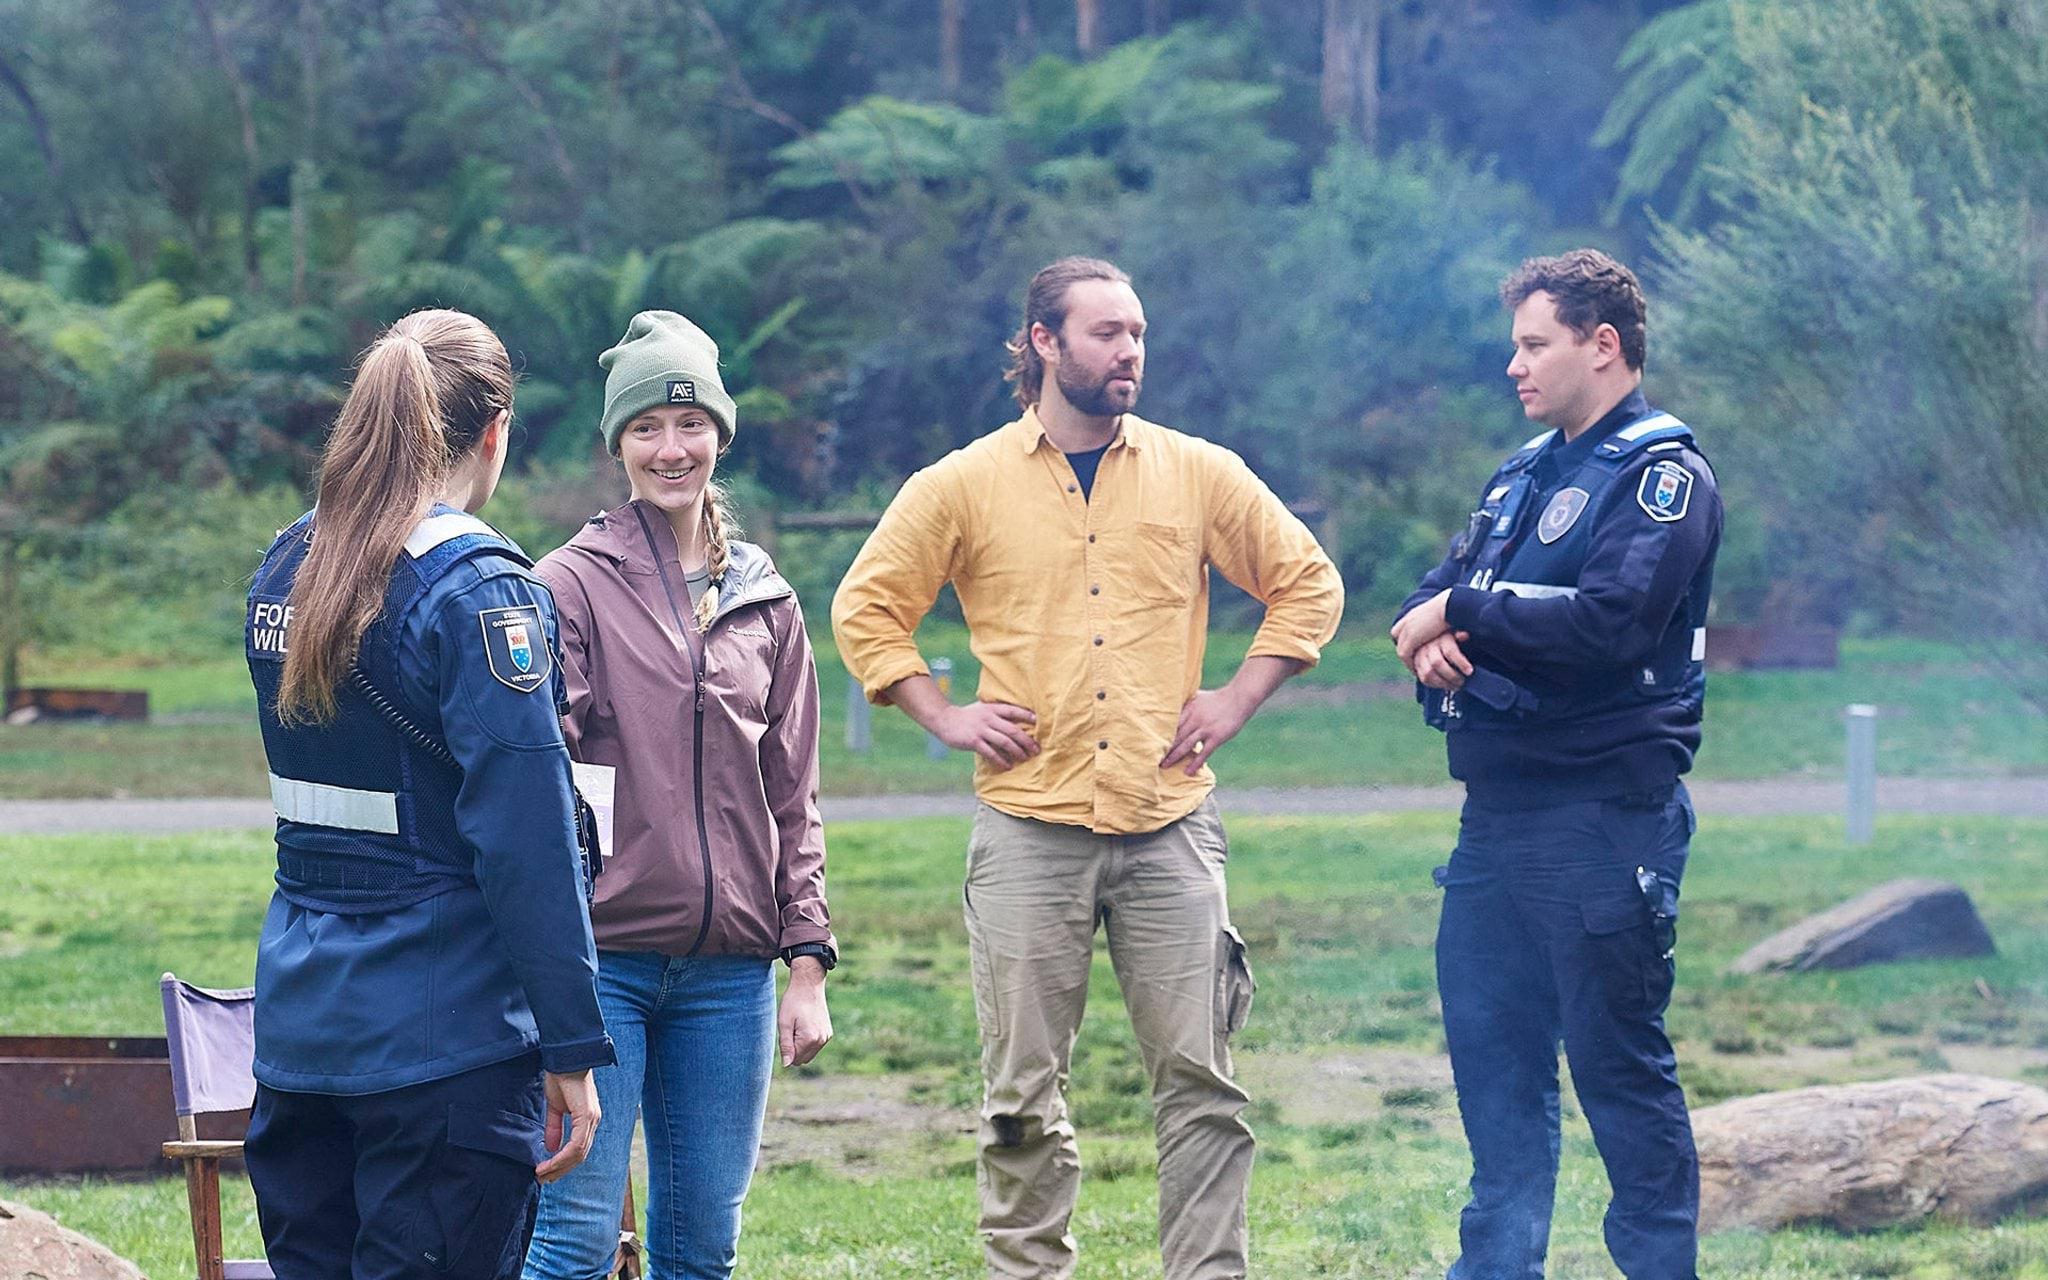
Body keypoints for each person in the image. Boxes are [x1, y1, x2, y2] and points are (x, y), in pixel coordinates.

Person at [832, 257, 1344, 1280]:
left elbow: (1306, 583)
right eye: (1107, 332)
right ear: (1043, 341)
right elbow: (866, 607)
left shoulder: (1197, 472)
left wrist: (1234, 698)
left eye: (1137, 333)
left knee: (1203, 1087)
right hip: (1028, 827)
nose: (1130, 353)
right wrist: (942, 714)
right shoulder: (962, 482)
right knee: (1020, 1098)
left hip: (1170, 824)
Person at [242, 308, 612, 1280]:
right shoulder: (479, 590)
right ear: (494, 434)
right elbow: (528, 841)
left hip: (299, 1039)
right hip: (444, 1054)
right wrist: (570, 1047)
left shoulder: (287, 565)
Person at [1389, 249, 1722, 1280]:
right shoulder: (1523, 473)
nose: (1514, 365)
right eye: (1515, 345)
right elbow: (1429, 594)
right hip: (1493, 822)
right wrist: (1434, 634)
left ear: (1602, 345)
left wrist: (1461, 611)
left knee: (1617, 1076)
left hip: (1601, 822)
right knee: (1494, 1074)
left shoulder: (1661, 477)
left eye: (1534, 345)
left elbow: (1613, 620)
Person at [521, 310, 836, 1280]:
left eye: (690, 423)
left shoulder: (765, 598)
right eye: (647, 428)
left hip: (729, 977)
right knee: (572, 1243)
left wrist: (808, 961)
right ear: (617, 444)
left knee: (704, 1249)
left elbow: (793, 792)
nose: (671, 448)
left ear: (719, 435)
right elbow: (537, 782)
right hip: (601, 966)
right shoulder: (567, 585)